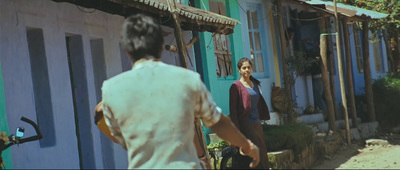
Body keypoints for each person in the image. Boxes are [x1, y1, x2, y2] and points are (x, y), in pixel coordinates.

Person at [100, 13, 260, 169]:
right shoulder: (187, 80)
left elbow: (118, 134)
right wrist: (246, 145)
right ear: (162, 46)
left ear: (127, 49)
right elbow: (217, 122)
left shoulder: (111, 90)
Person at [229, 57, 270, 169]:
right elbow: (233, 111)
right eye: (244, 68)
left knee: (262, 155)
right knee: (255, 157)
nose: (246, 70)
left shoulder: (255, 84)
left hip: (257, 125)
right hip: (245, 126)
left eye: (249, 67)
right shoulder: (236, 87)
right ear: (239, 70)